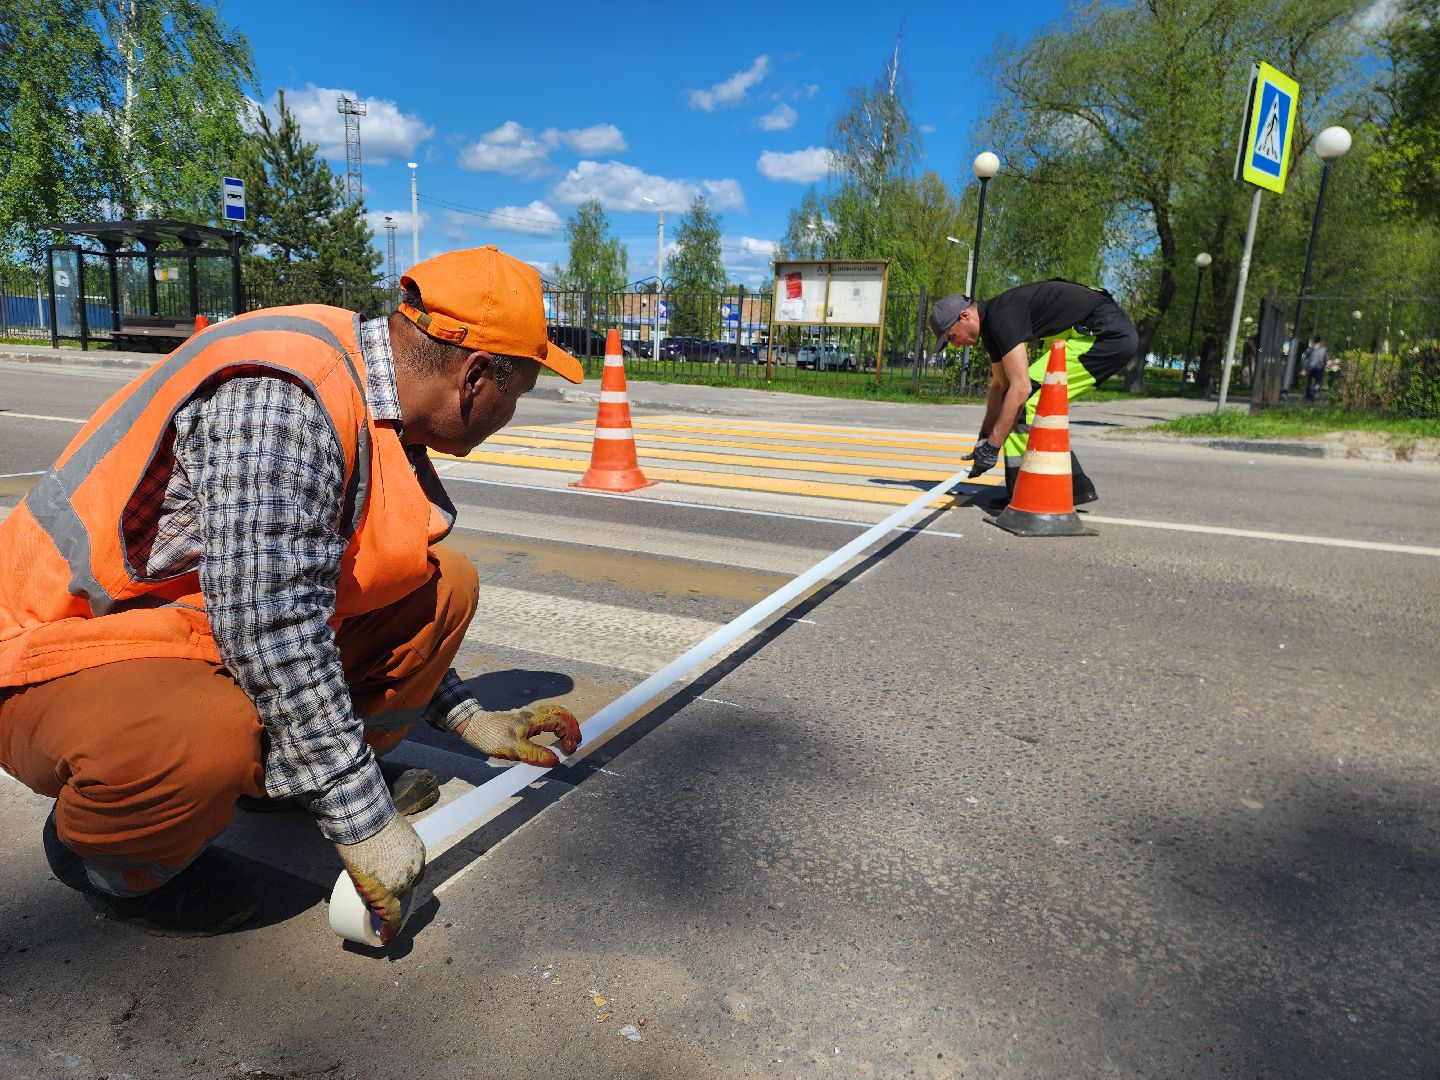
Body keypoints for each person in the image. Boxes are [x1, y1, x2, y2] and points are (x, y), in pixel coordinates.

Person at [0, 245, 585, 944]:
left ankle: (283, 784)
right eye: (515, 395)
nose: (509, 415)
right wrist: (362, 817)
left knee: (443, 586)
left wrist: (468, 718)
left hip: (191, 628)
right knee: (201, 737)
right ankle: (109, 859)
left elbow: (326, 588)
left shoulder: (376, 393)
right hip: (59, 648)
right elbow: (271, 626)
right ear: (476, 375)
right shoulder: (287, 399)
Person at [930, 280, 1139, 504]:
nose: (954, 344)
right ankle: (1041, 490)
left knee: (1024, 403)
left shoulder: (1002, 316)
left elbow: (1021, 388)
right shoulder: (991, 325)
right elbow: (1002, 386)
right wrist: (985, 437)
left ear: (965, 316)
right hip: (1094, 333)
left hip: (1104, 336)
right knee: (1014, 406)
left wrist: (993, 446)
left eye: (951, 336)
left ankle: (1043, 491)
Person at [1301, 335, 1328, 401]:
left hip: (1310, 367)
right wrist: (1323, 367)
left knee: (1308, 382)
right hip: (1319, 368)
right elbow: (1325, 360)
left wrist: (1304, 369)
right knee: (1318, 382)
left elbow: (1304, 358)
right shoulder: (1324, 350)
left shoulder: (1309, 349)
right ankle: (1313, 392)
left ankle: (1307, 396)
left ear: (1314, 341)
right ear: (1320, 341)